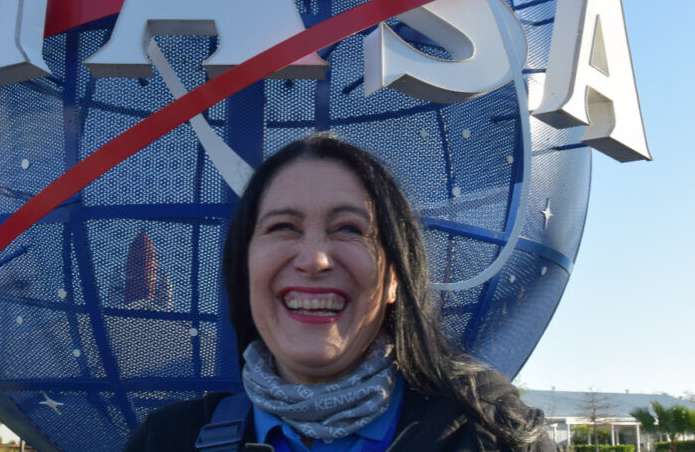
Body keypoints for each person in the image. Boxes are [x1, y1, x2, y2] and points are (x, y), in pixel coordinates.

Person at [125, 134, 551, 452]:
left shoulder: (490, 434)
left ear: (394, 278)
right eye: (282, 227)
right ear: (245, 268)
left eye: (349, 229)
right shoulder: (165, 439)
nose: (314, 260)